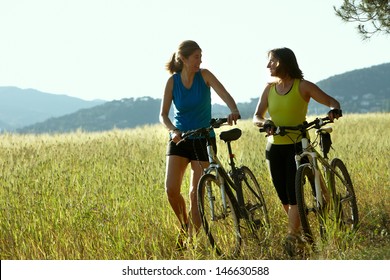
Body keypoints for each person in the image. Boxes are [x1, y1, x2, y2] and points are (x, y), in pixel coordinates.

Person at [253, 47, 341, 254]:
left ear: (284, 62)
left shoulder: (303, 86)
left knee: (294, 195)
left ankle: (291, 238)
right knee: (284, 197)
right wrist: (265, 122)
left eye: (272, 61)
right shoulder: (269, 89)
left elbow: (331, 101)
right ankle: (299, 231)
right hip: (274, 148)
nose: (268, 66)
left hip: (298, 145)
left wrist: (333, 110)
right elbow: (257, 116)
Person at [159, 40, 240, 249]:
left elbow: (224, 94)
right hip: (180, 139)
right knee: (171, 189)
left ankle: (192, 242)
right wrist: (172, 130)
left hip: (204, 138)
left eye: (200, 57)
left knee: (196, 192)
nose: (200, 61)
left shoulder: (204, 75)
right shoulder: (172, 82)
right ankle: (184, 224)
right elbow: (163, 115)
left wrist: (233, 109)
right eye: (196, 57)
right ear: (184, 59)